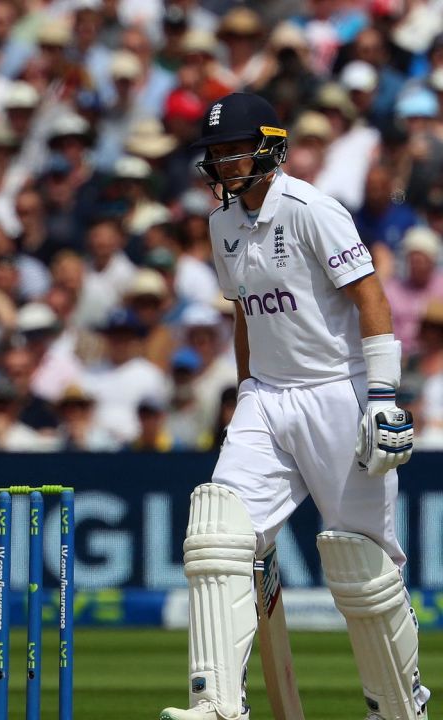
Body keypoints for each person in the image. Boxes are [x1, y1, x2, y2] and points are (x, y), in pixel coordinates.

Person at [162, 93, 428, 720]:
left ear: (269, 146)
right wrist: (245, 393)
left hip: (338, 390)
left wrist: (384, 397)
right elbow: (245, 317)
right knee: (217, 535)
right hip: (266, 397)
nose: (225, 163)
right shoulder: (220, 223)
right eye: (216, 153)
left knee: (362, 565)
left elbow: (370, 296)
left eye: (236, 149)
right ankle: (218, 704)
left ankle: (398, 707)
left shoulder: (312, 209)